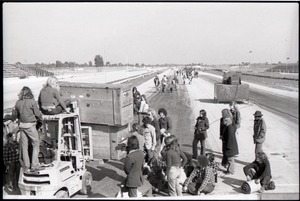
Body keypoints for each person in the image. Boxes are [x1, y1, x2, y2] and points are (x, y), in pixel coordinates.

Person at [12, 86, 44, 173]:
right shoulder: (32, 102)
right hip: (30, 125)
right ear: (30, 93)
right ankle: (34, 165)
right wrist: (41, 120)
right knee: (35, 144)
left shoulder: (18, 103)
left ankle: (26, 166)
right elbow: (37, 114)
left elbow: (15, 116)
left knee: (24, 146)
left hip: (22, 126)